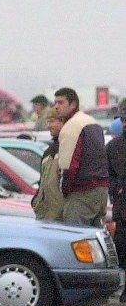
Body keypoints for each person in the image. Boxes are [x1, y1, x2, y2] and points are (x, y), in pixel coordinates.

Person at [53, 87, 109, 227]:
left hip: (81, 192)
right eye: (55, 103)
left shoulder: (71, 127)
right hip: (101, 191)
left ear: (73, 104)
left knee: (75, 238)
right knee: (96, 239)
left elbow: (69, 165)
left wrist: (65, 191)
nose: (56, 107)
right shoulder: (93, 123)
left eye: (61, 102)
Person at [31, 108, 65, 222]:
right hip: (47, 216)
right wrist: (36, 200)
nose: (48, 125)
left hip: (61, 217)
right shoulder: (49, 152)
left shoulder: (69, 150)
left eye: (51, 121)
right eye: (47, 121)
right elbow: (43, 183)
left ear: (63, 121)